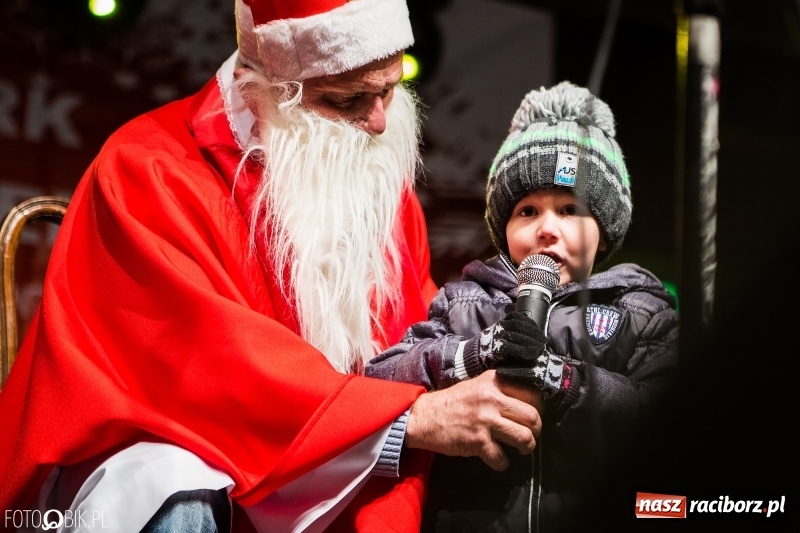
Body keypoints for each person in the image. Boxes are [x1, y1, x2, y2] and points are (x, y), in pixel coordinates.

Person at [0, 1, 543, 532]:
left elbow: (413, 331)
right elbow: (204, 373)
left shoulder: (377, 184)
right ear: (265, 89)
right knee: (173, 478)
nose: (379, 122)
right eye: (351, 99)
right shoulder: (150, 170)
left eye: (391, 88)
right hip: (171, 454)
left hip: (337, 461)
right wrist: (409, 419)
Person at [366, 81, 680, 532]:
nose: (547, 229)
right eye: (527, 211)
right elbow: (382, 378)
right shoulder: (464, 302)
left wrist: (560, 377)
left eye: (569, 209)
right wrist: (479, 351)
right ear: (504, 228)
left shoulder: (641, 310)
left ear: (605, 231)